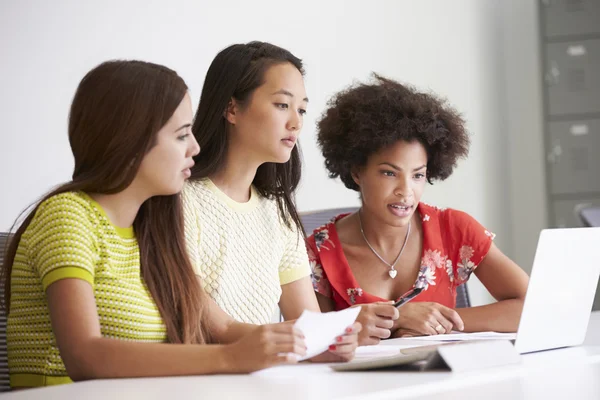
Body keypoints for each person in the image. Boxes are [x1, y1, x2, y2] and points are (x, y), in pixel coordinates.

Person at [1, 60, 358, 389]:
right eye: (181, 134)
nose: (196, 148)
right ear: (132, 141)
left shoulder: (153, 230)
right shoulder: (67, 215)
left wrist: (305, 347)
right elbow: (84, 357)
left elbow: (223, 327)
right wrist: (230, 358)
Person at [307, 74, 529, 341]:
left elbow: (529, 306)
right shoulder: (318, 252)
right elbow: (311, 338)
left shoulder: (454, 229)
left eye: (418, 175)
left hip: (442, 378)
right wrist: (400, 320)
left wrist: (436, 322)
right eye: (389, 173)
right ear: (356, 171)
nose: (406, 191)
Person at [183, 42, 319, 324]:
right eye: (282, 105)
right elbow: (195, 318)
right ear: (231, 109)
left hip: (259, 366)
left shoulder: (278, 213)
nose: (296, 123)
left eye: (302, 110)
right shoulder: (181, 199)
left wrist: (352, 327)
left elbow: (310, 325)